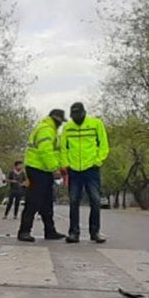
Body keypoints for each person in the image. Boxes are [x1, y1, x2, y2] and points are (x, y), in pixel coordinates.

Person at [61, 102, 109, 243]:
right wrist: (65, 164)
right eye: (73, 116)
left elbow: (103, 145)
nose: (75, 118)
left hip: (91, 169)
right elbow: (63, 148)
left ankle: (95, 232)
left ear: (83, 113)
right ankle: (73, 233)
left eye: (78, 115)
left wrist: (98, 161)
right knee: (73, 201)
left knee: (95, 200)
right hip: (74, 169)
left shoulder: (96, 124)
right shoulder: (67, 127)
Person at [18, 109, 67, 242]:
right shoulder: (46, 130)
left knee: (47, 202)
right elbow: (45, 151)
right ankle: (24, 231)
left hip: (43, 169)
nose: (61, 125)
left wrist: (60, 166)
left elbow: (55, 152)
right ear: (57, 120)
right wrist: (54, 169)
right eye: (60, 122)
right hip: (37, 169)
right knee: (33, 200)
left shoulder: (50, 130)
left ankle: (50, 231)